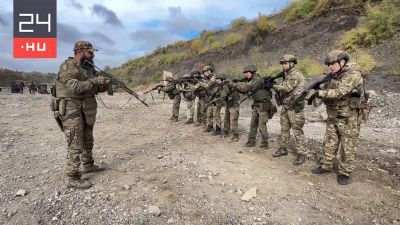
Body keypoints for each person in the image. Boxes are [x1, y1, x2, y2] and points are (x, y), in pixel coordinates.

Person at [53, 40, 110, 189]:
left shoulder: (88, 69)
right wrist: (95, 80)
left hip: (85, 107)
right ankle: (73, 177)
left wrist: (105, 82)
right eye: (90, 52)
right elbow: (75, 87)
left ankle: (88, 165)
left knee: (88, 138)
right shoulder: (69, 66)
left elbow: (94, 88)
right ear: (80, 51)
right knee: (75, 142)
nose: (93, 55)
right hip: (71, 108)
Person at [306, 50, 366, 185]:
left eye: (333, 63)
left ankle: (345, 172)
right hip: (333, 116)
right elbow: (325, 91)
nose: (330, 66)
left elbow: (339, 92)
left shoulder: (353, 75)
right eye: (329, 64)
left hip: (348, 118)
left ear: (343, 62)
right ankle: (326, 166)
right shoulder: (332, 76)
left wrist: (318, 93)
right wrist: (315, 91)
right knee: (329, 142)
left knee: (347, 147)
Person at [272, 54, 308, 165]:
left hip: (294, 108)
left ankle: (302, 153)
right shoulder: (287, 75)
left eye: (285, 63)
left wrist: (273, 85)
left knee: (297, 131)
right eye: (282, 63)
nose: (283, 65)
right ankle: (283, 148)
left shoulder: (295, 75)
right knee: (284, 129)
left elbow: (285, 88)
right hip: (286, 106)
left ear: (292, 63)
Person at [229, 65, 276, 149]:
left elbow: (246, 88)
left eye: (247, 73)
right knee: (253, 124)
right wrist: (235, 86)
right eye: (245, 73)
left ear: (252, 72)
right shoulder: (251, 80)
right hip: (256, 105)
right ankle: (251, 141)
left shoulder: (257, 79)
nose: (246, 74)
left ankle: (265, 144)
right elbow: (243, 91)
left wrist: (235, 84)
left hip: (264, 105)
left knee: (262, 125)